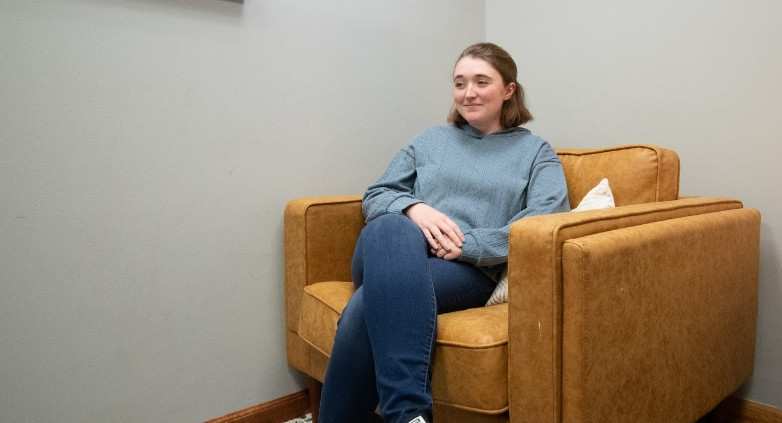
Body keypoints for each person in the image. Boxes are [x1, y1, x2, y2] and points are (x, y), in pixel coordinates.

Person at [318, 42, 570, 423]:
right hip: (393, 249)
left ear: (508, 90)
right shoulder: (429, 140)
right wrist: (415, 208)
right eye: (460, 83)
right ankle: (407, 413)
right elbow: (377, 195)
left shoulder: (535, 152)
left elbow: (544, 219)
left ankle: (401, 415)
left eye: (481, 81)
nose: (468, 93)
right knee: (389, 224)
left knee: (365, 303)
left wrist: (468, 244)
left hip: (465, 268)